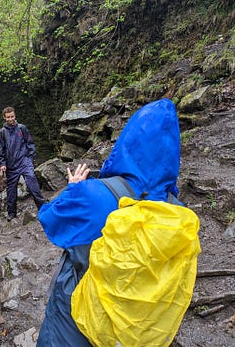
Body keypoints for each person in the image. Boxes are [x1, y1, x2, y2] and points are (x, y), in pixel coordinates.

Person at [36, 98, 182, 346]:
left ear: (128, 143)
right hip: (136, 328)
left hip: (77, 321)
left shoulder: (93, 194)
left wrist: (72, 190)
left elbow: (49, 219)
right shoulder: (178, 213)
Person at [0, 106, 45, 221]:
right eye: (8, 117)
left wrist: (30, 158)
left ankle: (43, 208)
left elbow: (30, 143)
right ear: (4, 117)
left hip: (25, 162)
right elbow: (0, 149)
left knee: (33, 185)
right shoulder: (2, 133)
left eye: (12, 116)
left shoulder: (22, 128)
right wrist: (2, 163)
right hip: (11, 165)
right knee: (11, 190)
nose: (10, 119)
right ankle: (11, 213)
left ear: (15, 115)